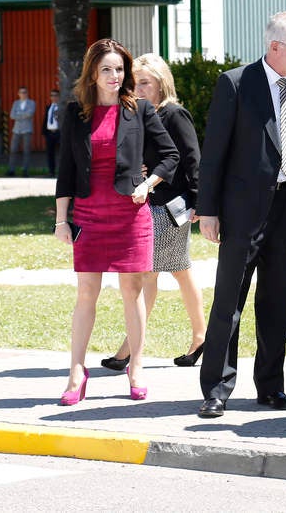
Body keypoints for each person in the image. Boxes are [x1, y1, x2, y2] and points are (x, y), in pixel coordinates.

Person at [196, 11, 286, 419]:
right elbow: (213, 152)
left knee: (279, 304)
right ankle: (216, 388)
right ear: (275, 47)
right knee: (229, 301)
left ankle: (271, 386)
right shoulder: (235, 83)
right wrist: (207, 211)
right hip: (241, 211)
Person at [54, 38, 179, 406]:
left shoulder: (139, 109)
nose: (114, 76)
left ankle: (135, 366)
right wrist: (63, 220)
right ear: (93, 72)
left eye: (119, 69)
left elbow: (169, 157)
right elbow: (66, 170)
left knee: (132, 292)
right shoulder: (76, 113)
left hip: (131, 215)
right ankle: (77, 371)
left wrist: (147, 184)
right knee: (86, 295)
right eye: (106, 69)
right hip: (90, 215)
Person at [100, 53, 206, 372]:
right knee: (178, 270)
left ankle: (130, 348)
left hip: (170, 206)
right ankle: (202, 336)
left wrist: (201, 201)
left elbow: (192, 158)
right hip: (148, 204)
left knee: (148, 273)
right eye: (136, 83)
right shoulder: (140, 115)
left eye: (146, 82)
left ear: (161, 82)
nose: (139, 88)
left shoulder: (174, 114)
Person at [6, 86, 36, 177]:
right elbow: (12, 115)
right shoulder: (16, 103)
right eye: (21, 92)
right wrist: (23, 115)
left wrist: (18, 114)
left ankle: (25, 170)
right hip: (16, 130)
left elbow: (30, 114)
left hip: (27, 130)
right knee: (13, 150)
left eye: (24, 92)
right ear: (18, 94)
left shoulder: (32, 103)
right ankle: (11, 170)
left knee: (26, 151)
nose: (23, 94)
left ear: (27, 93)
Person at [42, 89, 61, 177]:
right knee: (50, 153)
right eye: (52, 95)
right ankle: (51, 171)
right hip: (49, 133)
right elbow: (45, 120)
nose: (54, 97)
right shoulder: (48, 107)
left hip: (59, 133)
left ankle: (62, 172)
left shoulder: (61, 107)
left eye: (55, 95)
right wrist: (45, 132)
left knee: (61, 154)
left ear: (59, 97)